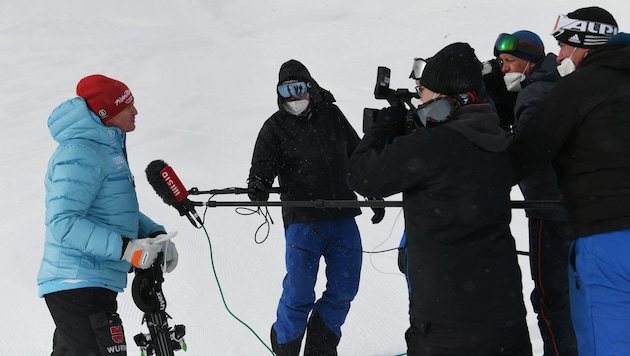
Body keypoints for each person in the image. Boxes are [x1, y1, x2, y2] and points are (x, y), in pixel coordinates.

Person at [347, 42, 531, 355]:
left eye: (424, 94)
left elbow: (361, 175)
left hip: (447, 323)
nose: (419, 102)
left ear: (446, 101)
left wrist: (384, 127)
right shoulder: (497, 142)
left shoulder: (433, 145)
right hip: (506, 316)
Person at [509, 7, 630, 355]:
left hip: (606, 236)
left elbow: (528, 152)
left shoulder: (577, 87)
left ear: (582, 44)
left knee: (605, 341)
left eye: (563, 46)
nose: (559, 55)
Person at [247, 59, 384, 356]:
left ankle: (321, 347)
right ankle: (286, 343)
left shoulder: (332, 115)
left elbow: (356, 155)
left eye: (297, 88)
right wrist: (258, 182)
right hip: (303, 221)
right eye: (285, 91)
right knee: (298, 292)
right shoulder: (274, 127)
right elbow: (263, 165)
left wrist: (372, 190)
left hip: (343, 217)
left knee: (344, 289)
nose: (292, 97)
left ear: (310, 87)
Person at [38, 74, 179, 355]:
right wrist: (127, 249)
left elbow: (113, 211)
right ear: (106, 113)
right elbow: (63, 223)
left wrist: (154, 234)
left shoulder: (104, 148)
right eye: (127, 106)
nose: (135, 111)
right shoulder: (79, 153)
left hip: (89, 285)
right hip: (77, 283)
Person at [486, 30, 577, 355]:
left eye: (510, 60)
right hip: (574, 205)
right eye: (501, 62)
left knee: (550, 298)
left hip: (547, 209)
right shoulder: (558, 82)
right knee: (575, 295)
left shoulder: (534, 93)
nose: (505, 68)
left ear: (530, 60)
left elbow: (522, 153)